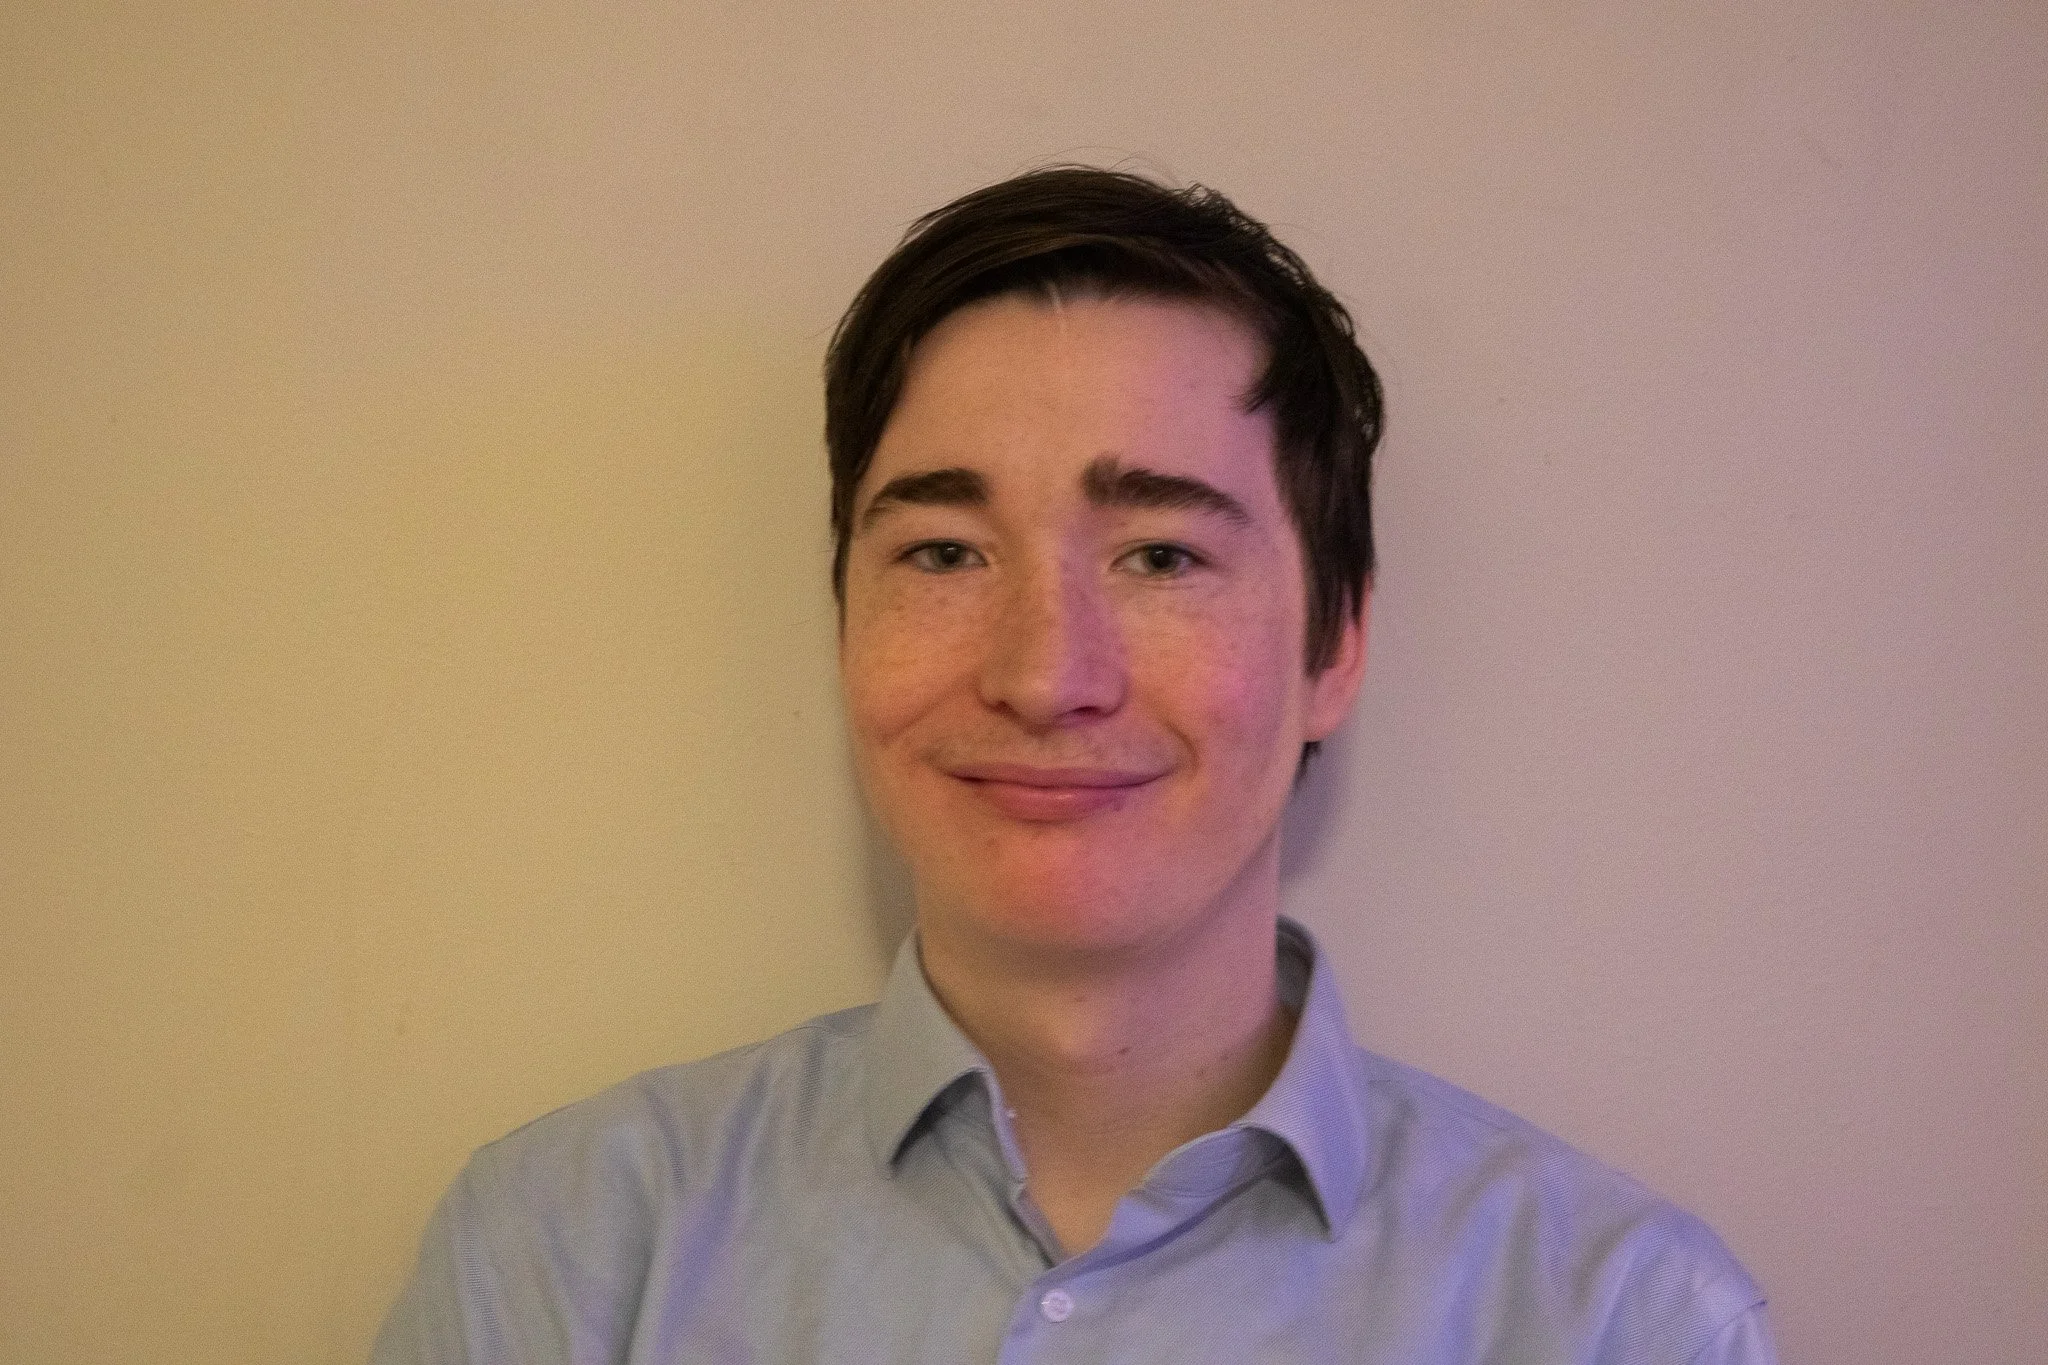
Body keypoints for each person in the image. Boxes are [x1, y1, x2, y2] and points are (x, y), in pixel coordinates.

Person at [373, 166, 1776, 1363]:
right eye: (944, 554)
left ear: (1335, 645)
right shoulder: (565, 1257)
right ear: (845, 624)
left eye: (1161, 556)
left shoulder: (1620, 1321)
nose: (1046, 675)